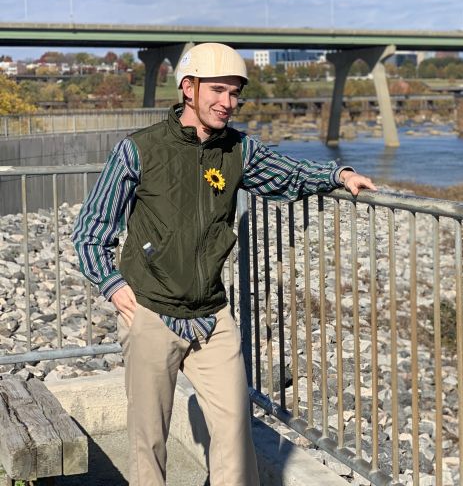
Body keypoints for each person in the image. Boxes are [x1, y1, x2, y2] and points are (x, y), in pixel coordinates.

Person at [72, 42, 376, 486]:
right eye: (218, 90)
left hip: (213, 315)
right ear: (188, 88)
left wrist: (337, 175)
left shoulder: (239, 150)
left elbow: (286, 174)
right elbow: (90, 232)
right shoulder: (139, 151)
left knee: (235, 431)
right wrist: (117, 290)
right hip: (151, 312)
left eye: (235, 94)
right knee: (148, 441)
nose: (228, 103)